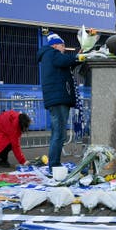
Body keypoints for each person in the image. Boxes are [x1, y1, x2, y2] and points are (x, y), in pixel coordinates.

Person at [37, 33, 80, 172]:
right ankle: (54, 165)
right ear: (54, 45)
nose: (64, 48)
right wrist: (79, 57)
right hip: (59, 99)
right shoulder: (52, 53)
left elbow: (66, 63)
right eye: (62, 45)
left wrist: (77, 58)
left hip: (57, 99)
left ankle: (54, 164)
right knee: (59, 134)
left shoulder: (49, 56)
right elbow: (65, 61)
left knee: (58, 133)